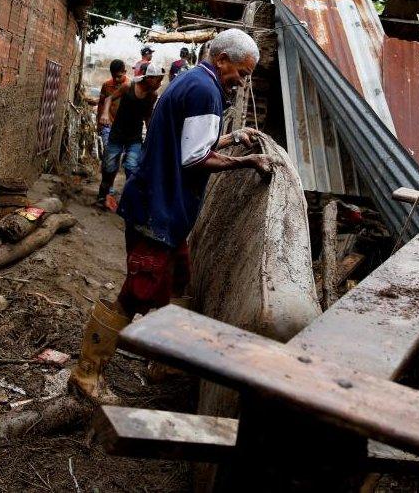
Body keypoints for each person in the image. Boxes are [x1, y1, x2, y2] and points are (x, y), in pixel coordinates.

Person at [70, 29, 273, 403]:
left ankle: (164, 360)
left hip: (163, 204)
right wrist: (246, 162)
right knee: (136, 292)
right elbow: (195, 158)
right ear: (222, 59)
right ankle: (87, 372)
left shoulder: (193, 81)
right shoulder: (205, 91)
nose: (243, 82)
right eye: (242, 73)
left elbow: (188, 142)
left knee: (179, 280)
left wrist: (232, 137)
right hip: (158, 209)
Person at [97, 63, 164, 211]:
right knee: (109, 166)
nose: (160, 84)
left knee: (132, 168)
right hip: (117, 133)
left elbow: (147, 116)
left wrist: (152, 134)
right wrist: (104, 114)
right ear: (149, 78)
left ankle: (126, 202)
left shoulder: (152, 96)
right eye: (158, 80)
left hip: (134, 137)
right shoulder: (128, 87)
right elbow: (109, 99)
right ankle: (103, 196)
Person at [95, 59, 128, 170]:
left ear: (125, 72)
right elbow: (101, 103)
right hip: (108, 125)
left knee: (118, 154)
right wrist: (98, 122)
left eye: (119, 76)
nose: (117, 80)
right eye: (114, 77)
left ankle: (109, 177)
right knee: (108, 151)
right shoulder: (106, 85)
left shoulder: (130, 86)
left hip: (123, 127)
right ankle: (106, 178)